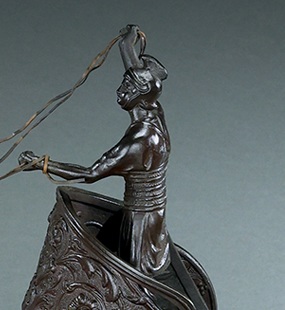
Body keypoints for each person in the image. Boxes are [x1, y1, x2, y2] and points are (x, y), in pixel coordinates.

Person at [20, 25, 171, 275]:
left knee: (135, 278)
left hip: (141, 224)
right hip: (152, 216)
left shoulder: (139, 142)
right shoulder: (152, 110)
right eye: (123, 83)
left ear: (140, 93)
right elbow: (137, 76)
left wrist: (42, 164)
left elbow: (90, 174)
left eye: (127, 87)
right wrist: (126, 44)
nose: (120, 90)